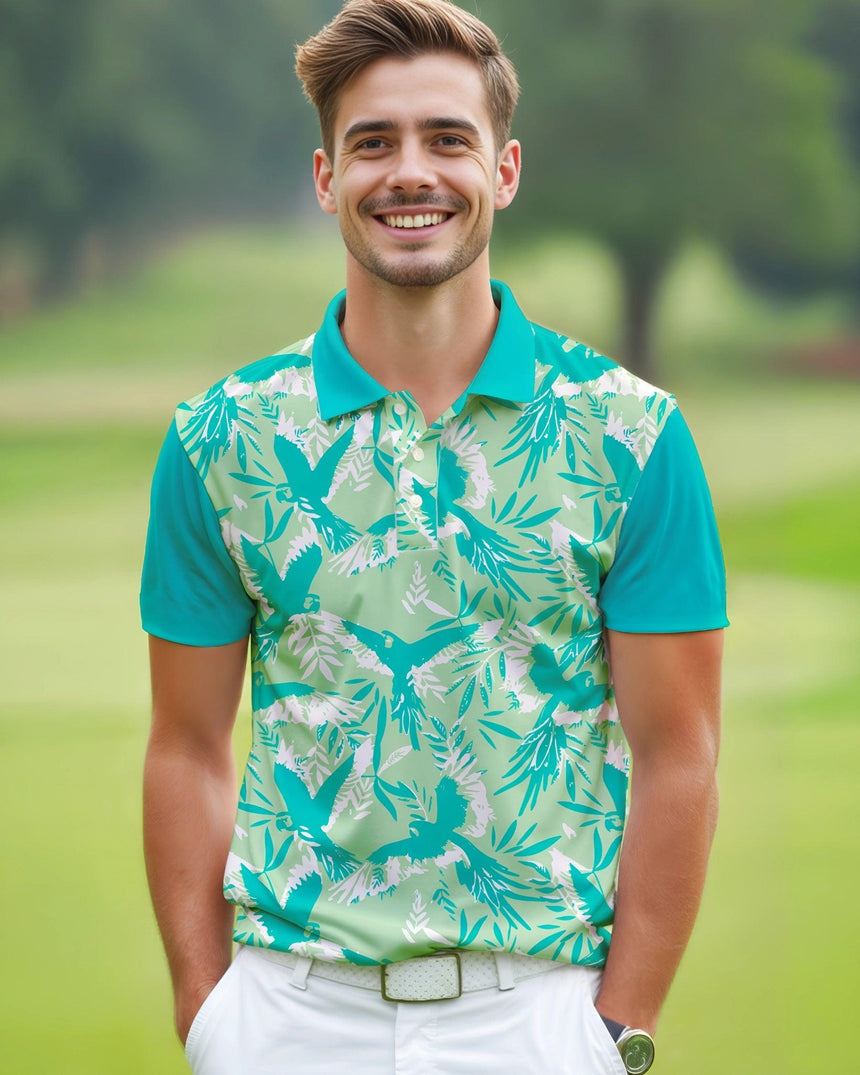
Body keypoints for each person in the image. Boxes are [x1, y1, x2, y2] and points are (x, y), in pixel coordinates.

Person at [141, 2, 727, 1072]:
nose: (410, 171)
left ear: (502, 170)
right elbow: (185, 745)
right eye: (372, 142)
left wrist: (613, 1031)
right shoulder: (221, 437)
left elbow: (677, 752)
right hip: (286, 1011)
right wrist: (206, 1010)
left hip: (534, 1016)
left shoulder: (629, 434)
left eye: (446, 139)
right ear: (326, 179)